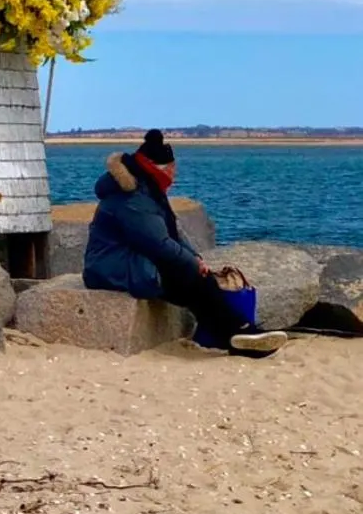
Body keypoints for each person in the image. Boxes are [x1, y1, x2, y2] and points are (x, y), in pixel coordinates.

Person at [83, 130, 288, 356]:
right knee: (190, 280)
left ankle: (235, 333)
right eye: (172, 168)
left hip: (132, 258)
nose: (175, 173)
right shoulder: (133, 199)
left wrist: (194, 258)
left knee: (197, 279)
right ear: (158, 168)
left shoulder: (145, 189)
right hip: (109, 266)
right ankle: (237, 334)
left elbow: (172, 234)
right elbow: (158, 243)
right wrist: (190, 263)